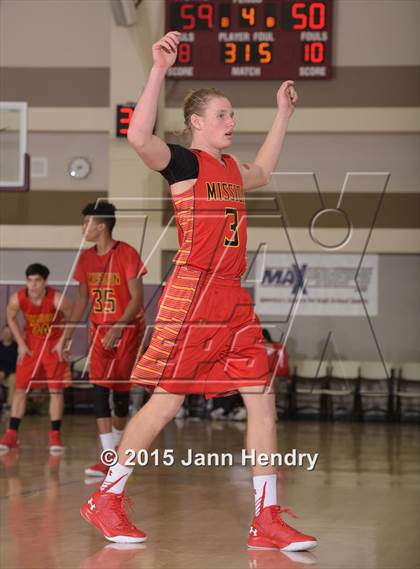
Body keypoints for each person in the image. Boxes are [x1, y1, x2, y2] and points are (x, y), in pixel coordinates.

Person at [80, 31, 317, 552]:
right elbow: (139, 137)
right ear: (197, 123)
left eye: (233, 116)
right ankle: (107, 497)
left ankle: (267, 517)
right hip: (194, 294)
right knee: (165, 404)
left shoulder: (233, 170)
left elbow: (266, 169)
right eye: (224, 116)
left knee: (262, 398)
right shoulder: (185, 165)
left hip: (233, 297)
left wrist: (283, 114)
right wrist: (158, 71)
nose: (232, 123)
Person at [56, 201, 147, 477]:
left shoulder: (127, 254)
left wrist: (118, 327)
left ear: (102, 226)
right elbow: (82, 299)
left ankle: (119, 450)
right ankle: (108, 457)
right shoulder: (85, 259)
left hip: (127, 329)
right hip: (99, 329)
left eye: (87, 223)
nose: (83, 228)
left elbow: (137, 299)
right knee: (98, 388)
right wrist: (66, 335)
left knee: (119, 397)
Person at [0, 264, 72, 452]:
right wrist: (21, 343)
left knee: (56, 391)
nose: (33, 285)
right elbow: (10, 316)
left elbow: (73, 316)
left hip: (52, 345)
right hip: (30, 345)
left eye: (37, 281)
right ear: (26, 281)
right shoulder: (18, 298)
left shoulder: (57, 299)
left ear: (45, 282)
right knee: (20, 390)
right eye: (30, 280)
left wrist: (63, 341)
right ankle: (11, 435)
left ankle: (55, 436)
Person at [0, 324, 18, 411]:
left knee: (13, 379)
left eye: (9, 332)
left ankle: (9, 406)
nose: (6, 334)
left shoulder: (16, 347)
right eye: (5, 332)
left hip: (12, 373)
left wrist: (5, 372)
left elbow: (16, 364)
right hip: (1, 373)